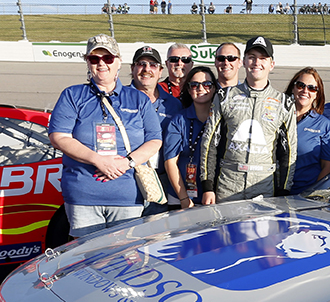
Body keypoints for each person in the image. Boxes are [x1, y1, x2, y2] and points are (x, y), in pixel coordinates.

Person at [48, 34, 162, 238]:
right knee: (89, 260)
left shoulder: (138, 99)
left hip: (128, 194)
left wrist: (126, 163)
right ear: (87, 62)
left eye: (107, 58)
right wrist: (98, 160)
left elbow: (155, 139)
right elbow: (59, 136)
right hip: (83, 195)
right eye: (94, 59)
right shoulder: (72, 95)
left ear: (118, 62)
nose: (102, 63)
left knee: (126, 259)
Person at [199, 36, 297, 204]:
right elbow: (209, 144)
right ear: (244, 61)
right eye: (251, 57)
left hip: (265, 187)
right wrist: (208, 186)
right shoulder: (225, 96)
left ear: (271, 64)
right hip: (228, 184)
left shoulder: (284, 103)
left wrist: (284, 190)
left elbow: (288, 152)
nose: (256, 62)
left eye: (263, 58)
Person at [128, 45, 183, 215]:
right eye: (141, 64)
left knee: (155, 236)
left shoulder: (174, 104)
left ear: (160, 71)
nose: (146, 69)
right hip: (128, 179)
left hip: (161, 182)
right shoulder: (118, 99)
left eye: (152, 65)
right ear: (132, 68)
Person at [164, 67, 217, 209]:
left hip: (213, 196)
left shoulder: (220, 120)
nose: (200, 88)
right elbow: (170, 162)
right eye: (194, 85)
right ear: (188, 89)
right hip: (180, 197)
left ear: (213, 89)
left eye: (207, 84)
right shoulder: (178, 120)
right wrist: (184, 199)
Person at [284, 67, 330, 194]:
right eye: (300, 85)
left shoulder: (324, 126)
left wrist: (312, 193)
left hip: (302, 194)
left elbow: (329, 166)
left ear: (317, 95)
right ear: (293, 88)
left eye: (312, 88)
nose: (305, 90)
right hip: (270, 191)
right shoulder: (276, 117)